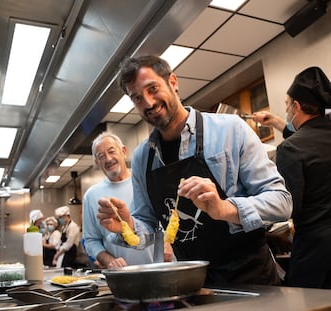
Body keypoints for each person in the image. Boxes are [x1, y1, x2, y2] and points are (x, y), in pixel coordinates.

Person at [97, 55, 292, 286]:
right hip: (193, 281)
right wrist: (129, 226)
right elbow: (147, 224)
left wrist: (225, 208)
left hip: (250, 277)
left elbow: (282, 202)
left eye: (153, 89)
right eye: (137, 98)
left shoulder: (231, 130)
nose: (148, 103)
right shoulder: (142, 158)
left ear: (173, 82)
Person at [257, 67, 331, 289]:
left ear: (297, 106)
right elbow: (311, 138)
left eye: (288, 104)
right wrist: (277, 122)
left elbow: (289, 206)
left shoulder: (290, 149)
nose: (287, 111)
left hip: (317, 251)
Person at [82, 132, 173, 268]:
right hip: (123, 275)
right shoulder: (91, 196)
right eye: (101, 156)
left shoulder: (147, 181)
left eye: (111, 151)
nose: (108, 159)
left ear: (123, 151)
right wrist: (109, 261)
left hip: (159, 268)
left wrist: (168, 243)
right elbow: (91, 240)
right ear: (96, 163)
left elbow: (167, 218)